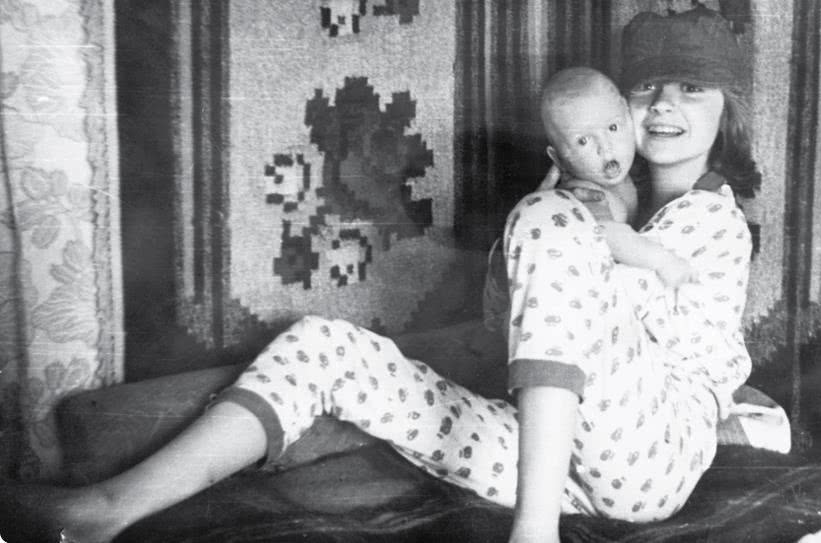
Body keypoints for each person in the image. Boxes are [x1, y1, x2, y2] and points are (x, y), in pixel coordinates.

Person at [0, 6, 759, 543]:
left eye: (692, 88)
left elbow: (609, 324)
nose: (664, 105)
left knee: (545, 214)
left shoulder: (712, 219)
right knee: (325, 346)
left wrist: (557, 223)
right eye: (647, 89)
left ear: (728, 110)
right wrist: (544, 227)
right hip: (557, 461)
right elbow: (510, 327)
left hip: (650, 457)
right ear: (617, 107)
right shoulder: (596, 199)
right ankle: (104, 510)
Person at [483, 66, 699, 337]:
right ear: (559, 158)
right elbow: (611, 236)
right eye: (583, 141)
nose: (605, 147)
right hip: (529, 314)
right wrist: (663, 261)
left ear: (628, 117)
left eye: (613, 128)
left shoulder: (633, 176)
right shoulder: (585, 193)